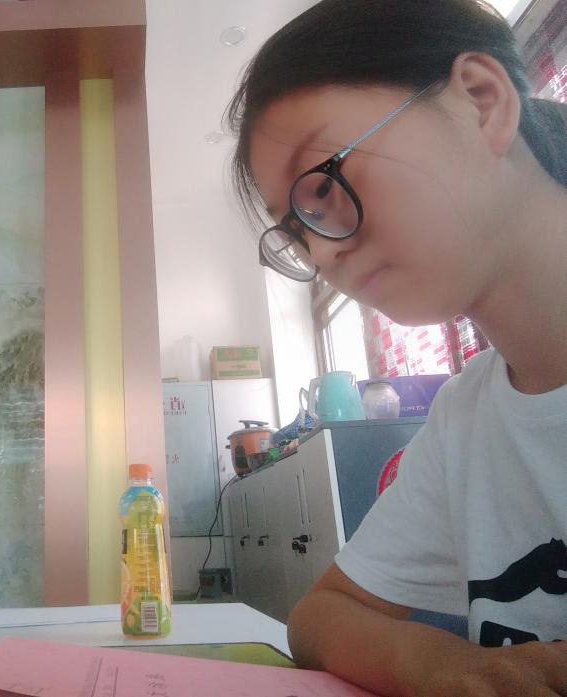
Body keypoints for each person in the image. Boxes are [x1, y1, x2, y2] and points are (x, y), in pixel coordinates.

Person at [226, 1, 567, 695]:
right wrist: (449, 668)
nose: (323, 252)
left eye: (325, 182)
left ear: (481, 100)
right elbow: (321, 614)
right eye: (297, 230)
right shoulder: (469, 415)